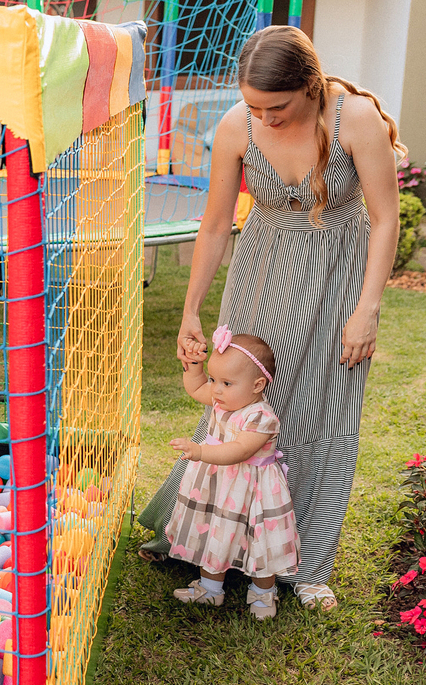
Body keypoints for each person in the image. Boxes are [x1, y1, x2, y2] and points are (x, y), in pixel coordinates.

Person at [137, 26, 405, 613]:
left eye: (275, 108)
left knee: (323, 413)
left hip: (336, 283)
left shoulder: (355, 119)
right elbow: (215, 225)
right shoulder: (237, 125)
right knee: (236, 405)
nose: (263, 119)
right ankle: (215, 542)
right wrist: (190, 309)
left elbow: (385, 218)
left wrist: (367, 309)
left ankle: (306, 564)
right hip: (259, 279)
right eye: (254, 106)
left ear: (310, 86)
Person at [166, 325, 298, 620]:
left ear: (257, 385)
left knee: (260, 540)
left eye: (226, 382)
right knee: (214, 530)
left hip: (252, 490)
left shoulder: (261, 418)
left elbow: (238, 450)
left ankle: (263, 592)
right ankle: (210, 588)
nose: (215, 389)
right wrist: (195, 366)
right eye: (214, 379)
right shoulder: (223, 400)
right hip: (219, 485)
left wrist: (200, 452)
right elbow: (195, 388)